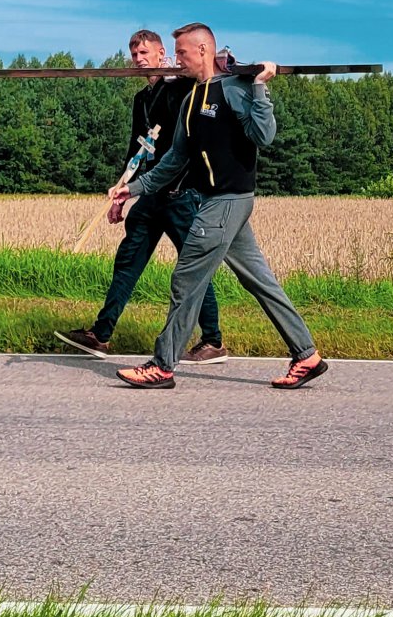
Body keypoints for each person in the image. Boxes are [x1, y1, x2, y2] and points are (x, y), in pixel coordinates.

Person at [111, 23, 327, 391]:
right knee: (259, 280)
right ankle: (306, 355)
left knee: (186, 279)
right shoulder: (191, 98)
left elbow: (264, 136)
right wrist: (131, 189)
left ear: (202, 51)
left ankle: (162, 366)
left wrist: (260, 87)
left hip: (228, 200)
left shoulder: (235, 90)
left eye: (181, 53)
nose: (176, 61)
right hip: (218, 202)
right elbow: (175, 159)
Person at [56, 30, 225, 362]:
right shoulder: (141, 99)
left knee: (193, 268)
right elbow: (137, 150)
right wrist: (122, 194)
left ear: (162, 54)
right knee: (128, 262)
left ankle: (213, 341)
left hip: (180, 194)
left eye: (145, 53)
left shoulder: (180, 89)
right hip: (149, 195)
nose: (138, 59)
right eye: (134, 54)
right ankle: (100, 334)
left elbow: (189, 140)